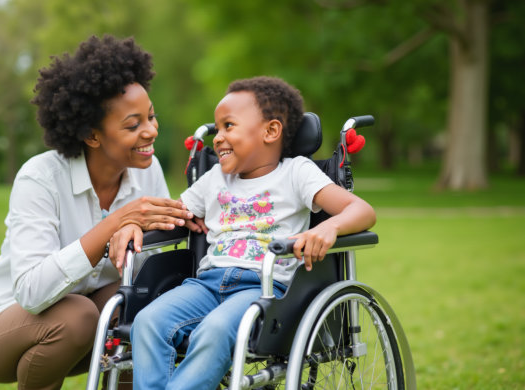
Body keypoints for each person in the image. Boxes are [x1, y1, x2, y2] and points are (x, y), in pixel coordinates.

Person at [109, 76, 377, 390]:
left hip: (263, 289)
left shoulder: (296, 172)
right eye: (217, 128)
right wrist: (130, 224)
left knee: (215, 329)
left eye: (229, 126)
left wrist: (330, 227)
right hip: (205, 284)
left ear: (270, 131)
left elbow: (362, 211)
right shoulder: (214, 179)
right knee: (148, 322)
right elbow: (167, 214)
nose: (218, 138)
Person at [0, 35, 194, 390]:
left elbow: (151, 261)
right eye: (133, 125)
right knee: (77, 317)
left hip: (88, 316)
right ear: (92, 135)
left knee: (146, 298)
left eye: (152, 116)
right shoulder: (40, 177)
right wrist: (115, 223)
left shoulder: (148, 169)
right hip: (1, 327)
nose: (151, 131)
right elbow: (32, 292)